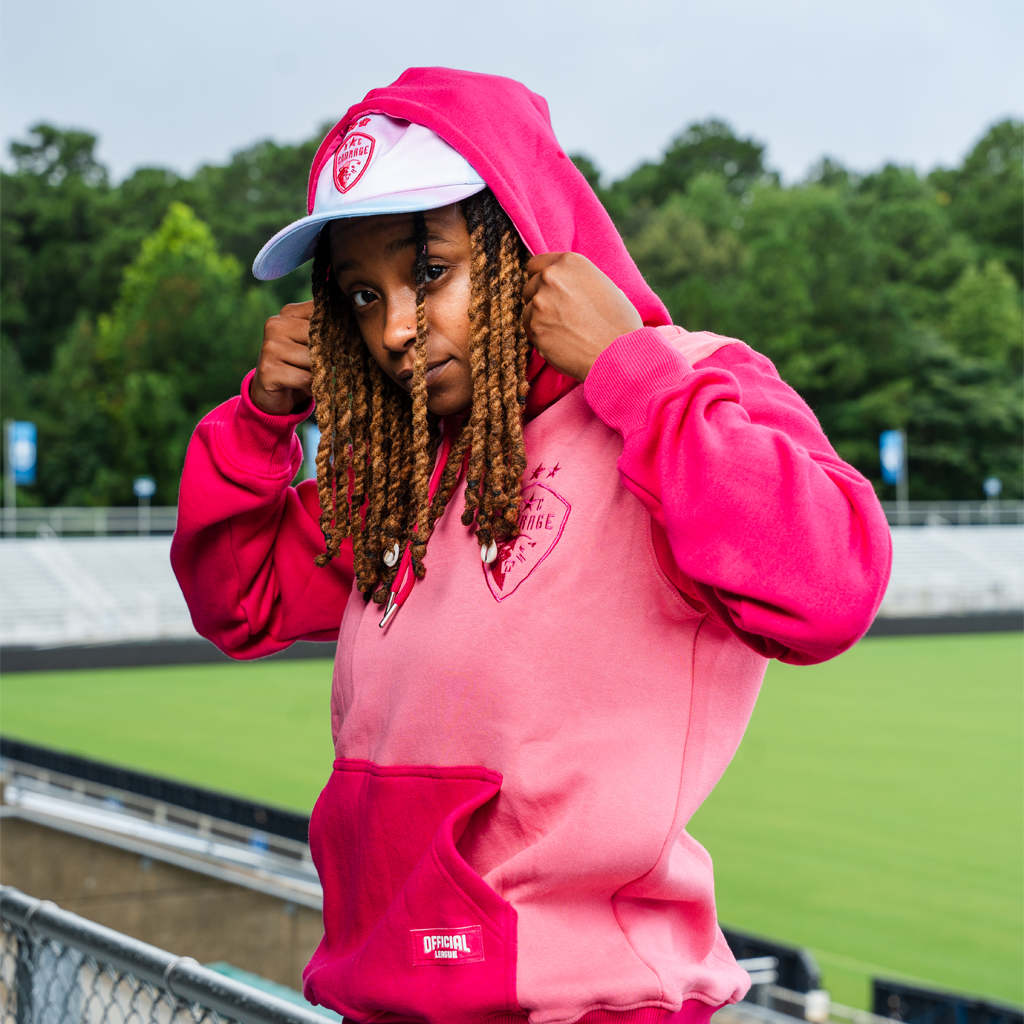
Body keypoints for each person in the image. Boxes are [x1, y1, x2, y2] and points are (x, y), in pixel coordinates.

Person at [171, 67, 891, 1024]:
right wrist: (260, 420)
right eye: (361, 294)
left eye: (430, 272)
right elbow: (239, 597)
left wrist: (629, 369)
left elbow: (833, 583)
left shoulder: (681, 382)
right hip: (387, 998)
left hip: (589, 1007)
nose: (394, 329)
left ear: (531, 244)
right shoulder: (409, 462)